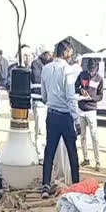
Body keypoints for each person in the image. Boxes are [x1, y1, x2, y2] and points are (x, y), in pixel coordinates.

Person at [40, 40, 79, 198]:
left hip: (51, 113)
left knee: (49, 150)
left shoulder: (46, 68)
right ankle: (76, 185)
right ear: (66, 53)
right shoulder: (67, 70)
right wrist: (76, 120)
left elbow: (43, 95)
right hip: (65, 115)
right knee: (72, 152)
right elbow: (70, 97)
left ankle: (45, 185)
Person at [75, 58, 103, 171]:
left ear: (96, 69)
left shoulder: (99, 79)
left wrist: (92, 98)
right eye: (90, 70)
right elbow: (75, 87)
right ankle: (86, 158)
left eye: (93, 70)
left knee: (94, 136)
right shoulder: (82, 75)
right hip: (81, 108)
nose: (91, 72)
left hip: (91, 109)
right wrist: (80, 90)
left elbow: (100, 95)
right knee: (82, 136)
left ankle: (98, 161)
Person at [31, 46, 53, 155]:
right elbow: (38, 80)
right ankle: (39, 153)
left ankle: (45, 152)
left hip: (48, 103)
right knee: (40, 129)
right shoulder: (36, 64)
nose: (50, 56)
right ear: (43, 54)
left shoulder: (49, 65)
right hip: (39, 101)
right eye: (48, 54)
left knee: (47, 129)